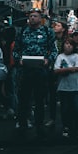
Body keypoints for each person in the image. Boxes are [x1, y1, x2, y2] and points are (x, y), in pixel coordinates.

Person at [13, 10, 56, 138]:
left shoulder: (47, 32)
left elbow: (53, 50)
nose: (32, 18)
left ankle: (39, 125)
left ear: (40, 18)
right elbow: (16, 50)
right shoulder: (22, 32)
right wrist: (18, 59)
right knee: (23, 99)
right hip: (25, 70)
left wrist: (48, 60)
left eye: (35, 16)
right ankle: (22, 124)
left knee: (39, 99)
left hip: (41, 70)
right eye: (30, 16)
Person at [53, 38, 78, 139]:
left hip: (75, 87)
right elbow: (56, 70)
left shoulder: (76, 56)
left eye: (70, 44)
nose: (68, 46)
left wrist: (64, 70)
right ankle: (66, 126)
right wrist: (70, 69)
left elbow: (77, 68)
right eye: (66, 44)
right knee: (64, 109)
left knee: (76, 108)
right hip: (63, 87)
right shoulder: (60, 56)